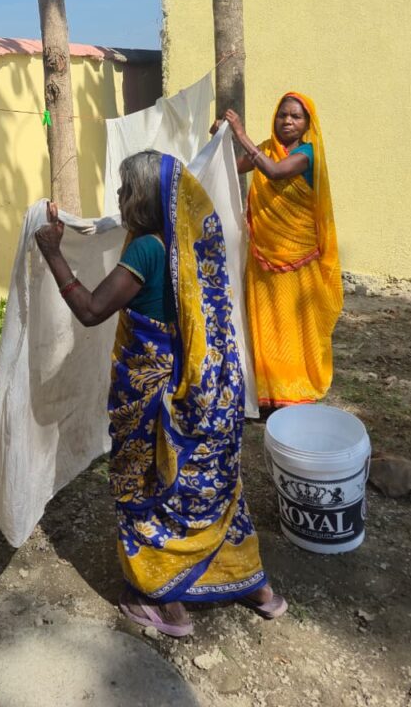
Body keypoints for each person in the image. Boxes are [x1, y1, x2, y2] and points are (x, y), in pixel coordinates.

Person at [34, 150, 286, 638]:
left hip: (155, 398)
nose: (119, 196)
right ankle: (256, 588)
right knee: (211, 490)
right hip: (206, 395)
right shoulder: (192, 243)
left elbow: (90, 311)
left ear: (146, 200)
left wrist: (53, 253)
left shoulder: (146, 250)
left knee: (147, 486)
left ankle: (166, 603)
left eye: (126, 189)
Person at [222, 93, 343, 408]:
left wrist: (240, 134)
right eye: (282, 115)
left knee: (292, 324)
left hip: (297, 256)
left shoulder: (307, 154)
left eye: (295, 117)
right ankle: (268, 390)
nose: (287, 121)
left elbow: (274, 172)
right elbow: (231, 168)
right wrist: (218, 140)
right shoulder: (264, 149)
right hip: (262, 251)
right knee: (265, 321)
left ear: (306, 124)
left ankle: (296, 388)